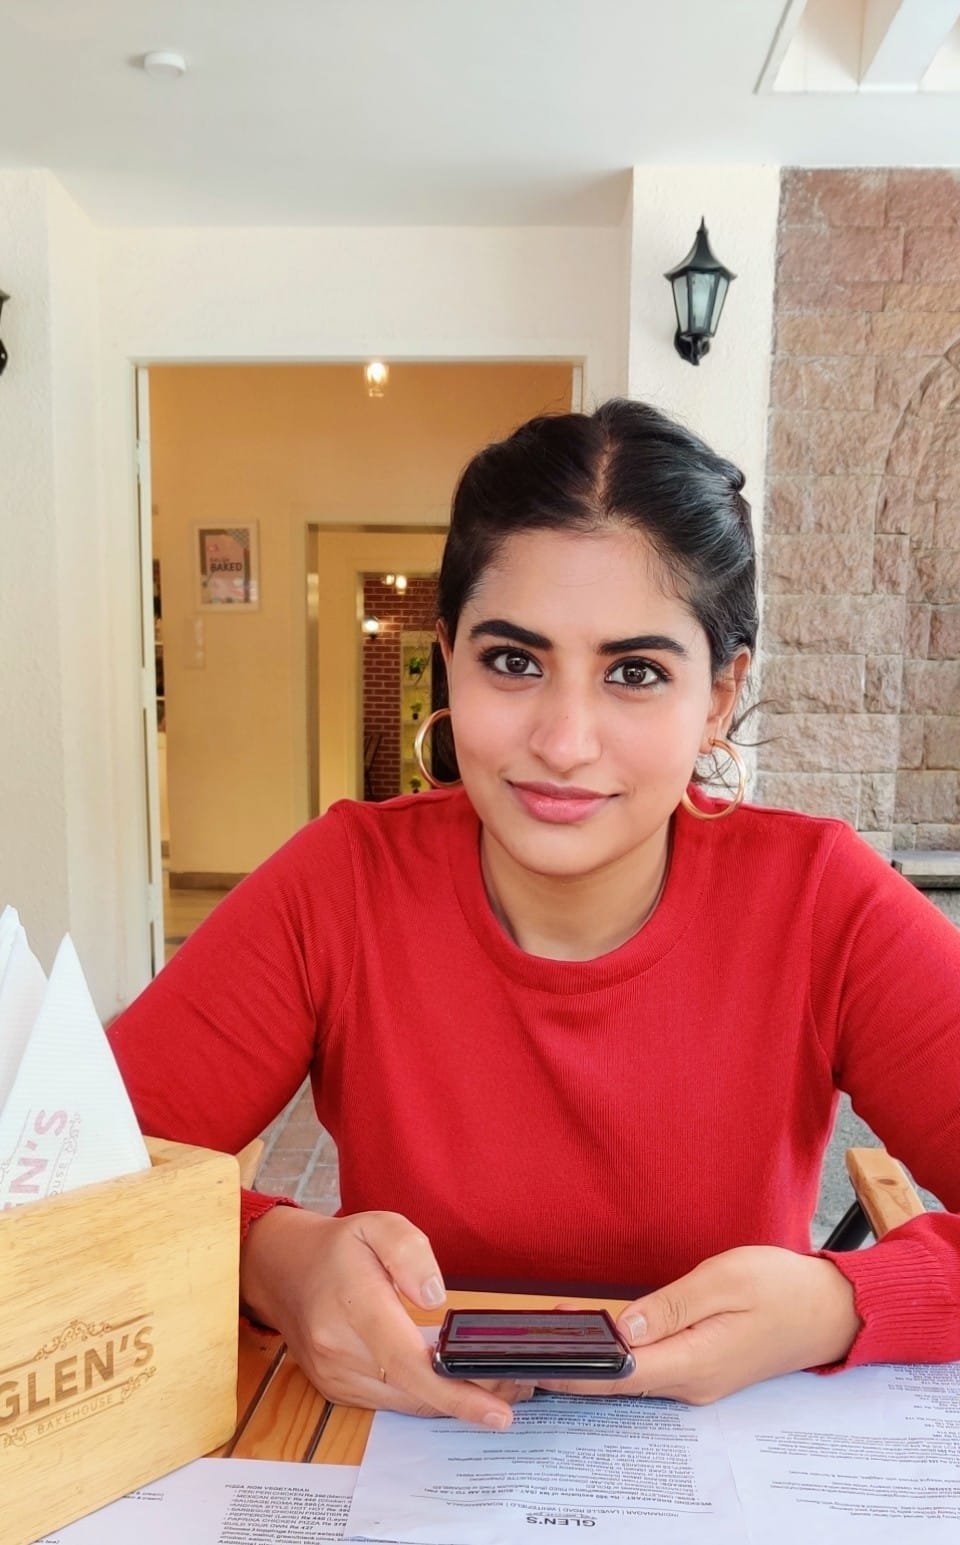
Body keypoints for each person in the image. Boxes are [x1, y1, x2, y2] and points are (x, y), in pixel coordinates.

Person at [108, 399, 960, 1433]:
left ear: (720, 696)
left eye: (636, 673)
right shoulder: (343, 884)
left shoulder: (821, 901)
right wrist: (268, 1258)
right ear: (448, 659)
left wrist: (840, 1302)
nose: (563, 742)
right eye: (513, 661)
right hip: (404, 1459)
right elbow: (67, 1180)